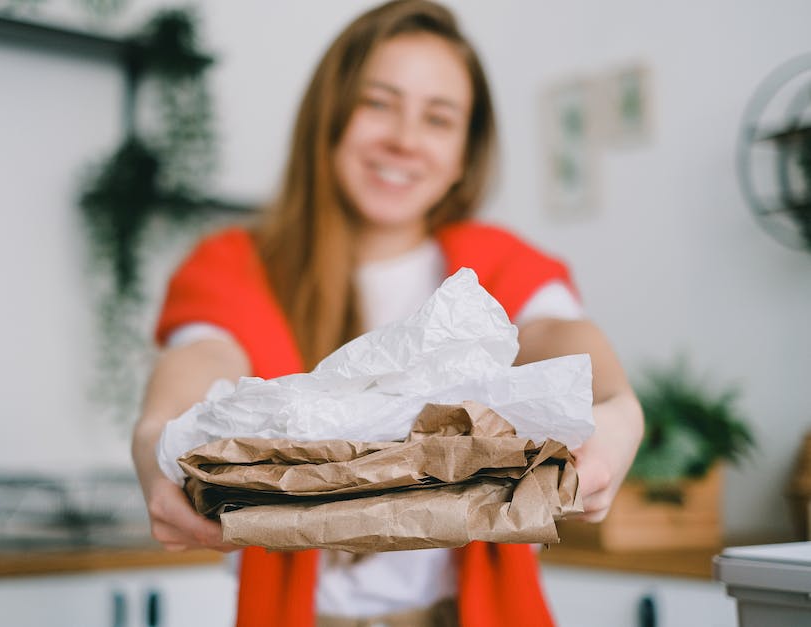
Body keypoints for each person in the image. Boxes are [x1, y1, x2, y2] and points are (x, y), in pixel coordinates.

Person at [131, 1, 644, 625]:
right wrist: (157, 438)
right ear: (329, 116)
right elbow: (202, 356)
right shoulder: (234, 265)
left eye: (438, 118)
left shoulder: (497, 266)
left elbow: (557, 333)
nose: (404, 139)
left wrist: (619, 412)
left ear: (463, 152)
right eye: (378, 102)